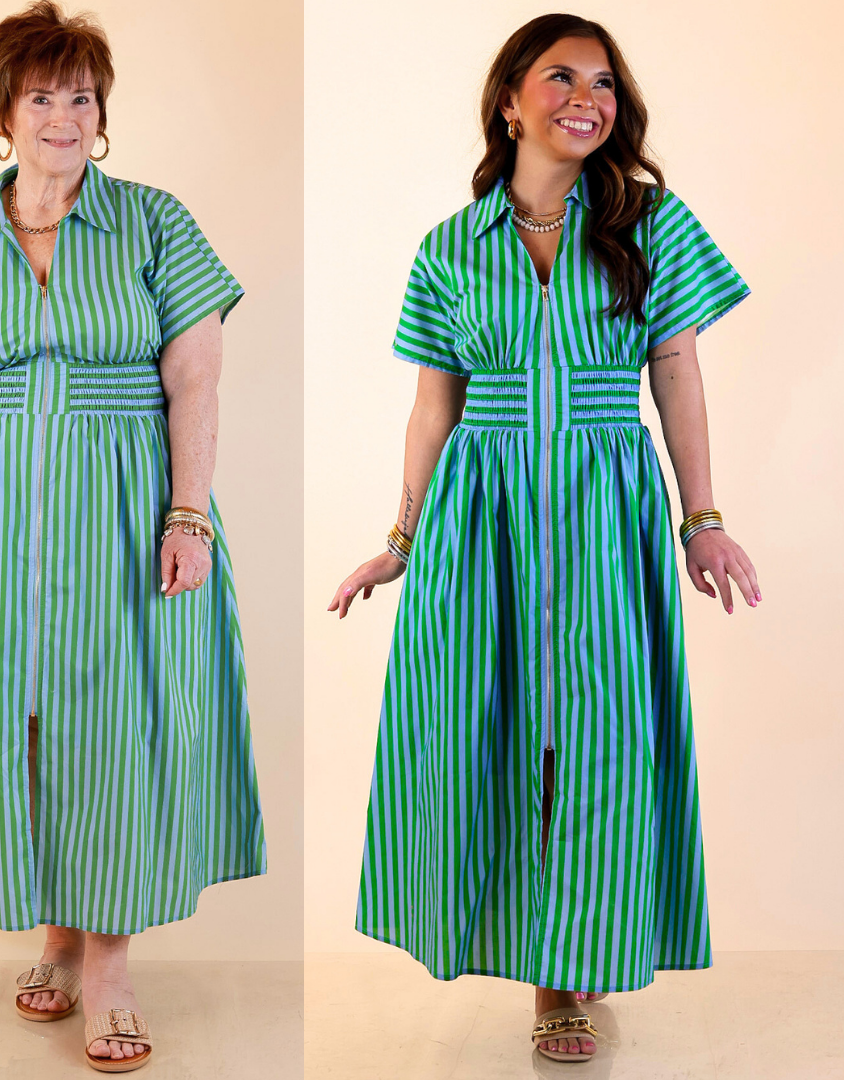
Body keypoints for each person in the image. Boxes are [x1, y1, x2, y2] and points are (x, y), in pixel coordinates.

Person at [329, 13, 759, 1064]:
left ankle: (575, 968)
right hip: (481, 517)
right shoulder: (449, 247)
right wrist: (401, 534)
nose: (587, 96)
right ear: (510, 101)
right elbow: (435, 405)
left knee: (599, 737)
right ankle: (533, 972)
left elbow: (677, 378)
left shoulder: (653, 225)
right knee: (494, 732)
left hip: (608, 508)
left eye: (604, 82)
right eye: (560, 76)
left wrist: (701, 520)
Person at [0, 2, 265, 1071]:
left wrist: (188, 512)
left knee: (116, 726)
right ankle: (54, 928)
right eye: (43, 96)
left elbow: (196, 375)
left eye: (82, 96)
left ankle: (111, 967)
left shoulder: (154, 222)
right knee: (23, 728)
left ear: (102, 112)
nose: (65, 115)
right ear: (5, 110)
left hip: (126, 517)